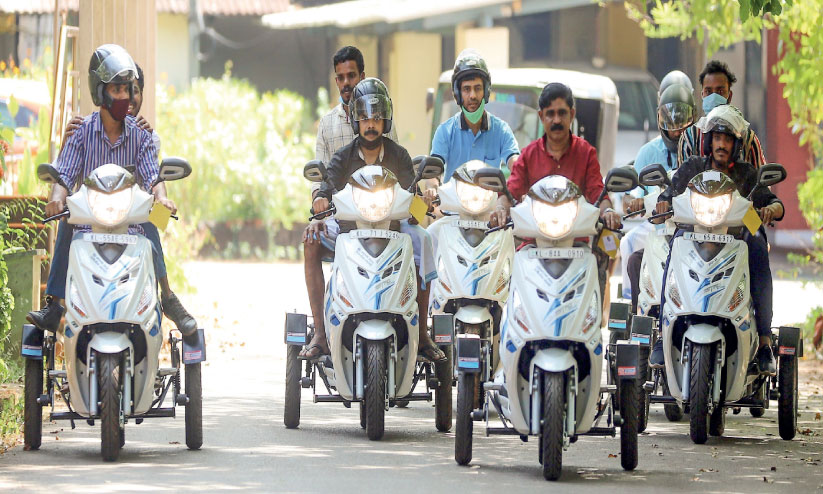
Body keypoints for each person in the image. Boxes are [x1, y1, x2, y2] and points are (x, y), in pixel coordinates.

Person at [26, 45, 196, 338]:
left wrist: (163, 198)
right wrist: (56, 199)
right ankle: (55, 305)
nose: (124, 97)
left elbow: (152, 176)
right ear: (100, 92)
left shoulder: (142, 135)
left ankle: (167, 296)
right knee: (68, 219)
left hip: (130, 225)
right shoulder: (80, 132)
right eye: (116, 89)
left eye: (127, 89)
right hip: (87, 226)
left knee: (154, 217)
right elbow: (63, 174)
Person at [300, 78, 443, 362]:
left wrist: (421, 204)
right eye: (364, 117)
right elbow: (327, 188)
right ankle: (319, 331)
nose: (370, 124)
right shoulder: (342, 157)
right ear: (355, 119)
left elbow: (411, 199)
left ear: (386, 119)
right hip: (347, 231)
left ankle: (422, 335)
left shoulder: (399, 156)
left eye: (376, 117)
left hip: (393, 230)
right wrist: (320, 202)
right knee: (310, 240)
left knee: (424, 239)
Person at [650, 105, 784, 374]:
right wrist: (663, 204)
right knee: (673, 244)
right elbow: (669, 194)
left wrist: (770, 210)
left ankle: (766, 338)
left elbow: (775, 202)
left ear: (736, 144)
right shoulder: (692, 167)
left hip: (738, 237)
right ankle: (663, 334)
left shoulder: (747, 174)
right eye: (717, 138)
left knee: (758, 243)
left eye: (728, 140)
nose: (721, 145)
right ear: (708, 141)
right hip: (693, 235)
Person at [489, 82, 621, 229]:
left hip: (576, 241)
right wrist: (501, 209)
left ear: (572, 114)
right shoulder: (528, 155)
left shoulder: (586, 152)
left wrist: (608, 211)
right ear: (541, 116)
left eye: (562, 113)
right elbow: (511, 192)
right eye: (550, 114)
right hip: (533, 241)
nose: (557, 120)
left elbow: (597, 191)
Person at [620, 77, 696, 308]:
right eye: (670, 117)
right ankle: (634, 312)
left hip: (696, 224)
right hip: (658, 224)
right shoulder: (648, 151)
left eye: (682, 118)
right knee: (629, 243)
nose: (676, 127)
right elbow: (630, 194)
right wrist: (633, 202)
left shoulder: (701, 148)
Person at [431, 49, 519, 182]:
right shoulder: (445, 132)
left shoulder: (502, 130)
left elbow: (515, 163)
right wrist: (432, 187)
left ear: (486, 91)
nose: (472, 95)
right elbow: (434, 169)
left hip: (491, 200)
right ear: (457, 93)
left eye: (477, 88)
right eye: (466, 89)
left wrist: (522, 179)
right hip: (451, 202)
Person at [316, 46, 398, 166]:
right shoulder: (327, 124)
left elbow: (397, 164)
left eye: (351, 75)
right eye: (341, 78)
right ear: (336, 81)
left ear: (362, 77)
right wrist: (318, 185)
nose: (346, 83)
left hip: (379, 184)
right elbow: (319, 178)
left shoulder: (381, 119)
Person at [678, 60, 766, 168]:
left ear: (729, 96)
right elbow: (681, 181)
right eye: (708, 92)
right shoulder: (690, 138)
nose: (713, 97)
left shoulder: (747, 138)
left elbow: (760, 180)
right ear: (702, 95)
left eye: (720, 92)